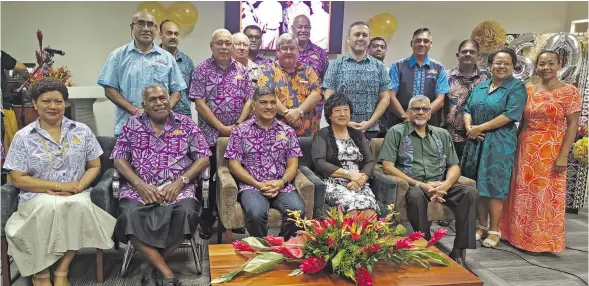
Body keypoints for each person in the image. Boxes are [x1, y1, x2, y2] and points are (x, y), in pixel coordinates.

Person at [3, 78, 116, 286]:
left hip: (76, 192)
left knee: (79, 205)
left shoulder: (81, 131)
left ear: (66, 104)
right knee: (48, 207)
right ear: (35, 104)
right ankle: (42, 272)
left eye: (58, 101)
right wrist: (59, 187)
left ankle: (62, 270)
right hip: (37, 195)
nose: (53, 106)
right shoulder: (23, 137)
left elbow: (95, 166)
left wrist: (78, 187)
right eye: (46, 101)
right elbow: (18, 179)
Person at [111, 84, 211, 286]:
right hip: (140, 189)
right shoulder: (132, 124)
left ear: (170, 99)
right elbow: (119, 159)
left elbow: (203, 158)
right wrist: (139, 185)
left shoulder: (186, 124)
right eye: (153, 100)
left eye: (162, 98)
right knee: (128, 214)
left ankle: (150, 265)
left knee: (187, 213)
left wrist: (181, 182)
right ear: (144, 105)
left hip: (178, 188)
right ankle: (167, 273)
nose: (159, 103)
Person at [379, 94, 477, 264]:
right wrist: (421, 185)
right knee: (416, 196)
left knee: (470, 192)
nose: (420, 112)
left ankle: (458, 250)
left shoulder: (442, 134)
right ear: (408, 112)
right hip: (414, 184)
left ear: (430, 114)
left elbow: (454, 166)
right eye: (416, 109)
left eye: (425, 109)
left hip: (440, 183)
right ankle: (426, 244)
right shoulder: (396, 132)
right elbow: (388, 166)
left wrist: (445, 185)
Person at [501, 50, 581, 253]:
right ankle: (516, 236)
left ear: (559, 65)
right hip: (526, 146)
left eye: (551, 63)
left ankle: (539, 241)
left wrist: (564, 155)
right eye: (542, 64)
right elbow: (523, 121)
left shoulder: (569, 91)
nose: (546, 68)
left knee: (544, 195)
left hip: (551, 149)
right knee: (522, 193)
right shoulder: (529, 89)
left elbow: (572, 125)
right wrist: (514, 145)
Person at [190, 29, 254, 238]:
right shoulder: (201, 70)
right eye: (220, 43)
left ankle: (231, 218)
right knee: (208, 179)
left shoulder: (242, 71)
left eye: (228, 43)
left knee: (234, 175)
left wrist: (237, 125)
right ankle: (207, 219)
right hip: (209, 135)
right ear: (212, 46)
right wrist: (220, 127)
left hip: (237, 135)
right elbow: (199, 104)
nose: (225, 47)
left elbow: (249, 101)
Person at [460, 48, 527, 248]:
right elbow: (466, 108)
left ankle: (495, 229)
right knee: (478, 184)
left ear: (513, 66)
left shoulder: (517, 87)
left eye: (506, 63)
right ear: (491, 65)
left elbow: (510, 114)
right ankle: (482, 224)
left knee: (494, 186)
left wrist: (479, 128)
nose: (501, 66)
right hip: (475, 140)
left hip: (499, 143)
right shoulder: (481, 86)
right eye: (497, 62)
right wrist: (469, 127)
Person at [225, 86, 306, 239]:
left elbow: (293, 165)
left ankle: (280, 247)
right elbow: (234, 165)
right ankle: (262, 247)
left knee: (297, 212)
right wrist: (258, 184)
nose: (269, 107)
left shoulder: (287, 131)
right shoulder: (240, 131)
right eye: (263, 102)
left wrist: (281, 183)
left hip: (281, 185)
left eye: (272, 102)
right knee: (256, 214)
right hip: (252, 186)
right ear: (254, 105)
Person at [97, 11, 186, 137]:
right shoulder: (117, 56)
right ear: (132, 27)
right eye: (140, 23)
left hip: (161, 129)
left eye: (150, 24)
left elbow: (177, 91)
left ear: (155, 29)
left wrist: (162, 111)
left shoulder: (167, 58)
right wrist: (135, 111)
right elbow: (109, 90)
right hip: (127, 127)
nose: (146, 28)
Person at [311, 93, 378, 218]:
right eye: (337, 111)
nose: (342, 114)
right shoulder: (322, 134)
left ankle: (370, 238)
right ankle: (349, 238)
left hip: (359, 181)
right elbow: (319, 162)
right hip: (333, 183)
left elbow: (370, 161)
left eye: (346, 110)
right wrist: (348, 174)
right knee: (351, 208)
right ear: (329, 115)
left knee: (369, 209)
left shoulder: (357, 134)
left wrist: (361, 179)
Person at [323, 21, 392, 140]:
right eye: (357, 34)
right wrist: (345, 122)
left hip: (371, 130)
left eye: (364, 35)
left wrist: (370, 122)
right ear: (348, 39)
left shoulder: (379, 66)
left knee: (370, 159)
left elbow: (385, 98)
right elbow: (329, 96)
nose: (361, 38)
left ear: (369, 39)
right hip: (341, 129)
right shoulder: (336, 65)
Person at [259, 33, 322, 137]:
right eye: (284, 48)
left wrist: (298, 112)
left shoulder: (308, 71)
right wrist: (288, 114)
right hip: (276, 135)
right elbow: (266, 96)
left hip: (307, 135)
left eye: (292, 48)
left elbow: (317, 94)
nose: (288, 52)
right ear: (278, 51)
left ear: (298, 51)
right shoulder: (268, 71)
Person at [387, 28, 450, 131]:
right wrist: (406, 117)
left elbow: (440, 100)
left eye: (425, 41)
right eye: (418, 41)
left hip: (430, 125)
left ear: (430, 44)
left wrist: (423, 116)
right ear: (411, 43)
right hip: (401, 123)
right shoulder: (397, 66)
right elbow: (391, 96)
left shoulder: (439, 68)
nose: (422, 44)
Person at [445, 40, 490, 159]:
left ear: (478, 56)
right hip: (450, 136)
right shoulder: (446, 76)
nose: (468, 54)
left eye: (472, 52)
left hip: (478, 135)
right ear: (457, 54)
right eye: (464, 51)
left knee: (472, 175)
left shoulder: (487, 77)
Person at [159, 19, 195, 117]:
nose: (173, 37)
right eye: (169, 33)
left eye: (176, 34)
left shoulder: (187, 61)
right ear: (160, 35)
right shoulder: (153, 59)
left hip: (183, 117)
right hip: (158, 117)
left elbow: (193, 92)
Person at [289, 15, 329, 79]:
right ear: (293, 29)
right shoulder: (285, 52)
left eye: (306, 27)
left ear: (310, 28)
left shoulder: (321, 53)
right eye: (299, 27)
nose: (303, 30)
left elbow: (327, 82)